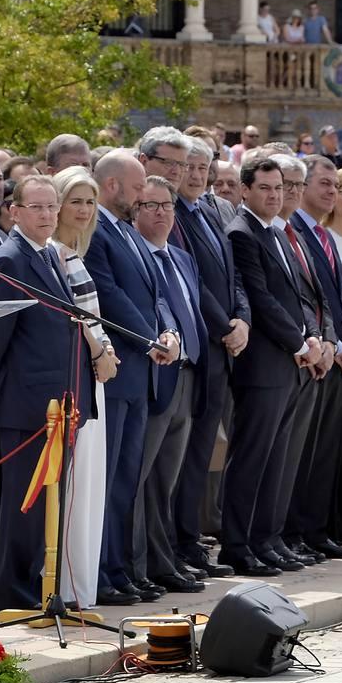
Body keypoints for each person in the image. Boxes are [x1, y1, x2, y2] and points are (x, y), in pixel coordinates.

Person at [0, 175, 98, 612]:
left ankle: (42, 588)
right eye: (36, 208)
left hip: (60, 402)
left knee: (50, 504)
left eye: (52, 207)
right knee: (25, 506)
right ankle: (16, 595)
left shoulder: (49, 253)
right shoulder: (11, 259)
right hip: (28, 406)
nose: (47, 215)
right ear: (15, 212)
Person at [87, 150, 181, 605]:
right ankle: (102, 572)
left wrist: (167, 332)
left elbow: (155, 292)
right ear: (113, 186)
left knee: (127, 478)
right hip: (120, 372)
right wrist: (150, 340)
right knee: (108, 479)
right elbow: (110, 294)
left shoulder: (128, 231)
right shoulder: (98, 232)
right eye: (139, 185)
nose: (145, 194)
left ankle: (121, 568)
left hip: (143, 371)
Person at [221, 158, 323, 576]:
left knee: (275, 459)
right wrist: (300, 342)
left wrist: (312, 337)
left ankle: (265, 538)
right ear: (245, 190)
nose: (273, 195)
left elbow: (300, 294)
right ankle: (238, 544)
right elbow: (261, 300)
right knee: (251, 457)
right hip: (262, 364)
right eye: (264, 187)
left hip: (288, 361)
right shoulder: (242, 233)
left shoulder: (277, 232)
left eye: (278, 188)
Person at [169, 139, 249, 580]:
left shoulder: (214, 210)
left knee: (200, 452)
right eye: (191, 167)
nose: (197, 175)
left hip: (225, 343)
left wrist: (242, 319)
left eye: (204, 167)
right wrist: (224, 326)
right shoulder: (174, 214)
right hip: (202, 343)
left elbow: (231, 273)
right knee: (185, 454)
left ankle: (189, 539)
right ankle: (180, 541)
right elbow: (192, 282)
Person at [130, 175, 208, 593]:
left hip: (189, 375)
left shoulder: (181, 257)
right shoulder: (137, 254)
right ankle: (139, 565)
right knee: (143, 477)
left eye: (167, 206)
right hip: (156, 375)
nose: (160, 213)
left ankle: (164, 561)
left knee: (167, 480)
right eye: (150, 205)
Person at [289, 155, 342, 558]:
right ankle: (299, 532)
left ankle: (318, 531)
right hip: (317, 355)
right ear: (301, 188)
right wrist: (331, 343)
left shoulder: (323, 235)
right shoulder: (295, 232)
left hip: (340, 354)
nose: (332, 192)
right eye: (324, 183)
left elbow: (341, 297)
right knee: (305, 453)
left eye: (335, 185)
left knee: (327, 452)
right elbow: (307, 300)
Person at [51, 167, 120, 608]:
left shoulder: (76, 252)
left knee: (92, 486)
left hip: (96, 374)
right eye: (75, 200)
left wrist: (105, 350)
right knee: (76, 488)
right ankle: (70, 588)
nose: (83, 209)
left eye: (89, 202)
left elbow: (92, 314)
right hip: (80, 375)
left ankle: (82, 588)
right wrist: (100, 352)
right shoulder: (54, 254)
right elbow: (72, 317)